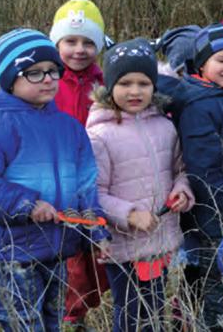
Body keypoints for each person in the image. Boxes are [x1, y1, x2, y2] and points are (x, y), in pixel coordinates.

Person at [0, 28, 111, 331]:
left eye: (53, 70)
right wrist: (25, 203)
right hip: (14, 251)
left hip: (58, 246)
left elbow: (85, 184)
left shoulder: (69, 127)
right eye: (34, 73)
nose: (49, 79)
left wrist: (96, 231)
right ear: (10, 79)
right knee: (23, 322)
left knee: (52, 318)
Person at [158, 23, 223, 332]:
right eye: (221, 60)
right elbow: (205, 171)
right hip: (216, 222)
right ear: (202, 64)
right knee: (212, 297)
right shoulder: (199, 105)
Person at [86, 39, 195, 332]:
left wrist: (181, 191)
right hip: (122, 246)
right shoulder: (99, 135)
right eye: (125, 83)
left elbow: (180, 170)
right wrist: (130, 214)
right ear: (110, 86)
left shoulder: (165, 126)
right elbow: (94, 194)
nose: (135, 91)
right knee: (131, 314)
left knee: (155, 308)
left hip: (160, 239)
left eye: (144, 83)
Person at [49, 0, 111, 329]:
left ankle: (94, 300)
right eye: (70, 41)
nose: (79, 49)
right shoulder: (48, 81)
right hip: (58, 180)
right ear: (57, 43)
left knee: (95, 249)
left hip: (97, 178)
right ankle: (72, 314)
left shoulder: (105, 82)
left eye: (88, 42)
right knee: (70, 254)